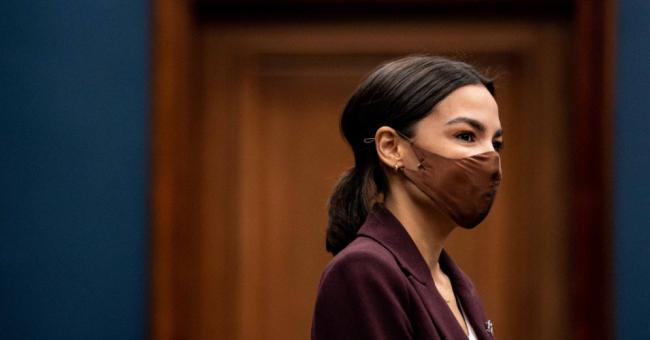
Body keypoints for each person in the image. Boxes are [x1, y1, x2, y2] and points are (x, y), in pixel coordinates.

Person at [311, 55, 503, 340]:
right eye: (465, 136)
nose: (490, 157)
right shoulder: (365, 271)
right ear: (391, 148)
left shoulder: (455, 283)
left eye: (496, 143)